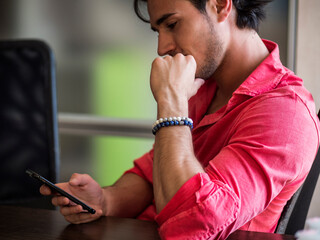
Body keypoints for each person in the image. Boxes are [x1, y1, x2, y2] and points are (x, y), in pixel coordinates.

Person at [40, 0, 320, 239]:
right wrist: (105, 200)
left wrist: (171, 104)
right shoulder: (205, 87)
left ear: (220, 5)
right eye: (157, 30)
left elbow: (193, 227)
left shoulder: (286, 113)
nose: (162, 47)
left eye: (172, 24)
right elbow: (152, 176)